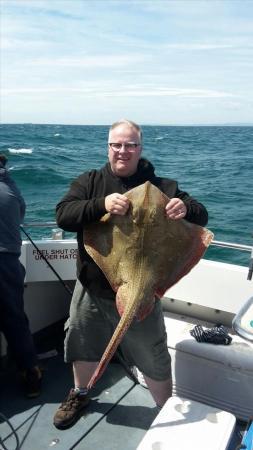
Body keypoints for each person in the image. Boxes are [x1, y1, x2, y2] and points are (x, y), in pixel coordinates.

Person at [53, 119, 208, 429]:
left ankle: (165, 408)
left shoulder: (165, 188)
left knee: (152, 354)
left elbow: (201, 215)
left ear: (140, 148)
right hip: (93, 288)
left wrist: (185, 208)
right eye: (117, 144)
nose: (123, 150)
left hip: (146, 290)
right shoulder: (92, 181)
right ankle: (80, 393)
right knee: (83, 342)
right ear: (108, 146)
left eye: (130, 145)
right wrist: (101, 204)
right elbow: (64, 215)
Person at [0, 154, 42, 398]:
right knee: (15, 322)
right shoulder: (12, 188)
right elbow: (21, 215)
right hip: (9, 265)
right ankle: (31, 374)